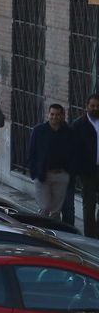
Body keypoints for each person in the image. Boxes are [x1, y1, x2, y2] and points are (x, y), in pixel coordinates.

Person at [26, 103, 73, 221]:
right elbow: (32, 152)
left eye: (57, 115)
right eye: (52, 114)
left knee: (56, 211)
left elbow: (73, 152)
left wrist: (69, 173)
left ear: (62, 116)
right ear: (48, 115)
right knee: (45, 207)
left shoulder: (68, 131)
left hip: (61, 175)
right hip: (43, 175)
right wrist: (34, 174)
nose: (54, 117)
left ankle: (53, 236)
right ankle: (40, 233)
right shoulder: (39, 130)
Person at [72, 93, 99, 238]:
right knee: (89, 204)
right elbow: (74, 149)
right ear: (86, 107)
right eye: (92, 106)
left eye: (97, 106)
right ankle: (90, 236)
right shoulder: (78, 125)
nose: (95, 109)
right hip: (87, 171)